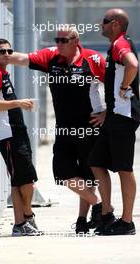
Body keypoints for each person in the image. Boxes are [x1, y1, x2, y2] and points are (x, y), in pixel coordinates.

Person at [9, 25, 106, 234]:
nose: (59, 44)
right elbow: (23, 59)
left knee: (88, 176)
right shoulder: (51, 57)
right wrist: (0, 55)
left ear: (75, 40)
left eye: (64, 40)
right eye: (57, 40)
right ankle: (102, 207)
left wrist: (107, 113)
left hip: (89, 126)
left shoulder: (93, 59)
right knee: (63, 172)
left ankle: (82, 220)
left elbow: (118, 84)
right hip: (63, 126)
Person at [89, 8, 140, 235]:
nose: (101, 25)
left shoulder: (121, 44)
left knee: (124, 169)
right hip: (114, 115)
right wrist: (107, 113)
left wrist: (123, 88)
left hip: (124, 117)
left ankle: (127, 222)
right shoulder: (115, 45)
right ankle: (106, 212)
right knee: (96, 161)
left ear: (115, 24)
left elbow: (133, 65)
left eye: (104, 21)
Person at [0, 38, 43, 236]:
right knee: (27, 179)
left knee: (18, 180)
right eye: (1, 51)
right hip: (8, 133)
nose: (6, 54)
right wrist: (20, 103)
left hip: (17, 131)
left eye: (9, 51)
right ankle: (27, 216)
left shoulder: (3, 72)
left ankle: (20, 224)